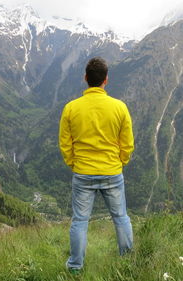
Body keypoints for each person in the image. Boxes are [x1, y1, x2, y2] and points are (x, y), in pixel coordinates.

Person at [59, 57, 135, 273]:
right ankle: (128, 262)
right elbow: (127, 143)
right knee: (120, 217)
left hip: (83, 172)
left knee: (80, 221)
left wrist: (74, 163)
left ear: (85, 79)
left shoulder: (71, 108)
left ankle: (75, 267)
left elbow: (65, 144)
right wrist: (121, 161)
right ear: (106, 80)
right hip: (112, 171)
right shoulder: (119, 107)